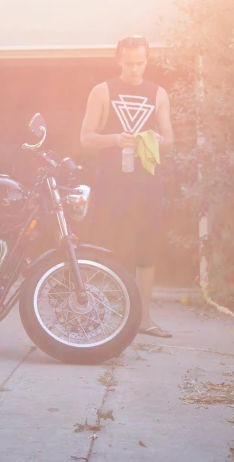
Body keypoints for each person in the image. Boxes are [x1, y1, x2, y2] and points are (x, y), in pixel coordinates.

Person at [80, 35, 174, 338]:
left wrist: (158, 141)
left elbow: (170, 142)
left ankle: (144, 319)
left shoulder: (159, 93)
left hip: (148, 184)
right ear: (119, 60)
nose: (136, 69)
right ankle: (103, 317)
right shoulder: (102, 91)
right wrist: (115, 140)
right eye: (130, 63)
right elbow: (86, 138)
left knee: (147, 249)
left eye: (141, 63)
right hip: (112, 184)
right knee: (106, 248)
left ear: (147, 60)